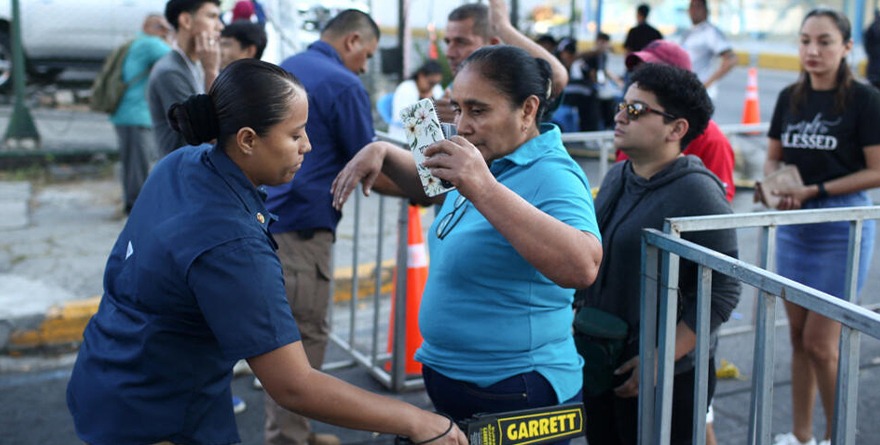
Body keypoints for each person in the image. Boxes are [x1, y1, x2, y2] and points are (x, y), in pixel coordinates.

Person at [66, 58, 466, 445]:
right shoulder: (232, 243)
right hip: (158, 415)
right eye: (295, 135)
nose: (307, 146)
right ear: (247, 140)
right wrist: (417, 421)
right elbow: (294, 385)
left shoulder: (180, 164)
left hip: (107, 374)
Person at [331, 44, 603, 431]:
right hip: (457, 383)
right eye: (457, 109)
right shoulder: (488, 156)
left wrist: (483, 187)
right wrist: (383, 152)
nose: (462, 125)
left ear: (527, 110)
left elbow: (584, 265)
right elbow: (433, 186)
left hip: (517, 391)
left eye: (478, 111)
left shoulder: (553, 174)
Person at [575, 63, 740, 445]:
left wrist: (660, 359)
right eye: (622, 104)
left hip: (667, 377)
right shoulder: (620, 174)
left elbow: (724, 290)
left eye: (635, 110)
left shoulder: (697, 193)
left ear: (676, 129)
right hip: (605, 358)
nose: (619, 115)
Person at [264, 9, 386, 445]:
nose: (366, 67)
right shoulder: (344, 84)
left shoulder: (286, 68)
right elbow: (369, 161)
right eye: (367, 55)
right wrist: (428, 187)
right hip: (301, 229)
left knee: (279, 335)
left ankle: (296, 429)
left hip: (263, 219)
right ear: (352, 41)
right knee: (302, 337)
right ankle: (287, 437)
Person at [761, 8, 880, 445]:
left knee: (820, 342)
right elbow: (774, 155)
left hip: (841, 227)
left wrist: (817, 191)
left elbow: (878, 170)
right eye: (805, 40)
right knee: (796, 337)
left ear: (847, 47)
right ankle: (802, 435)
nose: (812, 50)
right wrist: (776, 183)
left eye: (825, 41)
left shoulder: (865, 100)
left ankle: (838, 435)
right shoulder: (790, 96)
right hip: (795, 226)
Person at [618, 39, 736, 202]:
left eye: (651, 72)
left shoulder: (712, 140)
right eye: (638, 71)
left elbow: (716, 207)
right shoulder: (631, 135)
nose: (639, 79)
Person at [434, 0, 568, 123]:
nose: (449, 53)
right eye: (448, 42)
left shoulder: (511, 84)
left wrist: (502, 27)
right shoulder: (454, 88)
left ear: (492, 45)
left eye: (461, 42)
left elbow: (557, 77)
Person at [110, 14, 172, 214]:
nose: (164, 31)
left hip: (125, 112)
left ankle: (131, 203)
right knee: (139, 164)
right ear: (150, 26)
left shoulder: (136, 42)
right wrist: (170, 35)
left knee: (131, 164)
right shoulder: (150, 44)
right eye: (161, 27)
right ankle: (137, 208)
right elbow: (177, 57)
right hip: (136, 113)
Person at [148, 0, 223, 157]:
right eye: (212, 17)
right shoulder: (170, 71)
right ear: (186, 21)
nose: (220, 26)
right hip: (182, 172)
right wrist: (211, 71)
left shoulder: (195, 63)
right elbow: (207, 133)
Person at [679, 0, 737, 101]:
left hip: (701, 95)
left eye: (697, 7)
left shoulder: (710, 32)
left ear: (706, 11)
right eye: (691, 7)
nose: (693, 11)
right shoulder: (689, 32)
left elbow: (731, 60)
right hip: (687, 91)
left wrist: (707, 84)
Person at [388, 60, 444, 140]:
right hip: (403, 136)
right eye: (430, 83)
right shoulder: (406, 88)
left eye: (435, 83)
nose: (432, 87)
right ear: (421, 76)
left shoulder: (436, 89)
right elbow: (403, 117)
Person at [864, 9, 880, 90]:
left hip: (873, 67)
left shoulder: (871, 27)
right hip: (874, 66)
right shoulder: (872, 28)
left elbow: (867, 45)